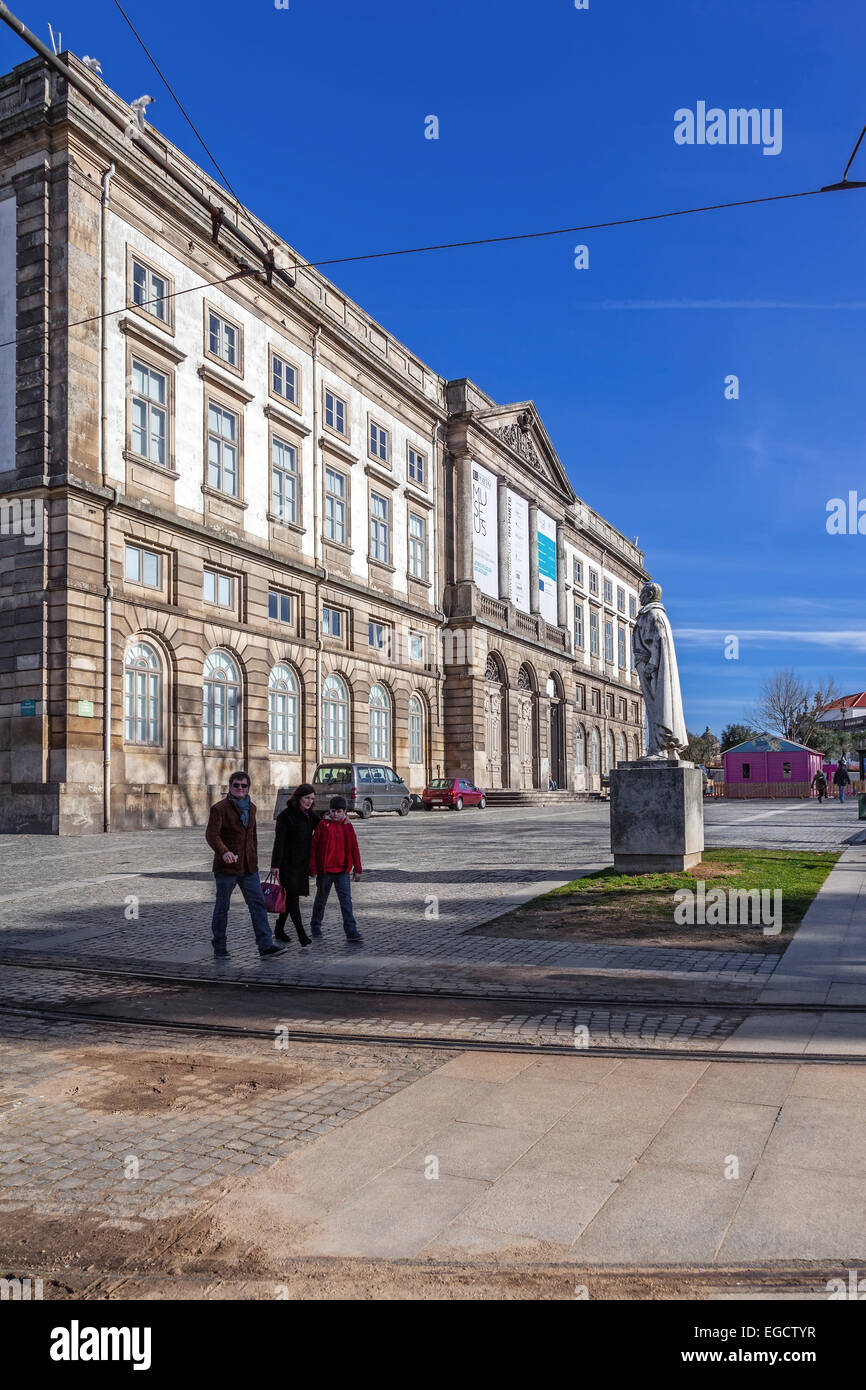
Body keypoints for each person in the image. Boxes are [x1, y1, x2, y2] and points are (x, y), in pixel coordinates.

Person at [205, 771, 285, 960]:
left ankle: (265, 946)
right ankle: (219, 946)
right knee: (222, 907)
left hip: (249, 868)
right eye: (236, 785)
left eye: (243, 785)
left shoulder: (252, 808)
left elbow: (253, 837)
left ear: (248, 788)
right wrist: (224, 852)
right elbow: (212, 835)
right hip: (227, 868)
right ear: (230, 787)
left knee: (258, 904)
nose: (240, 788)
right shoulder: (219, 808)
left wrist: (255, 861)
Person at [270, 783, 320, 946]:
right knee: (293, 899)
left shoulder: (310, 815)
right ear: (298, 798)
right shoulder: (286, 816)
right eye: (306, 798)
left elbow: (324, 825)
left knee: (289, 898)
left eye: (312, 799)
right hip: (287, 865)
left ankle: (279, 929)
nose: (309, 802)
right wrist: (275, 865)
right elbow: (279, 843)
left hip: (301, 865)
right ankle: (302, 935)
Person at [309, 795, 363, 943]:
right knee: (321, 899)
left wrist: (358, 869)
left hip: (342, 871)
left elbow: (354, 848)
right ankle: (315, 925)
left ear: (345, 811)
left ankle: (351, 931)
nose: (335, 814)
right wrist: (312, 867)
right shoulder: (322, 825)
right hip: (325, 871)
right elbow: (313, 847)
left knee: (346, 902)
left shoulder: (348, 826)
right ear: (329, 810)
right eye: (333, 811)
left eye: (339, 811)